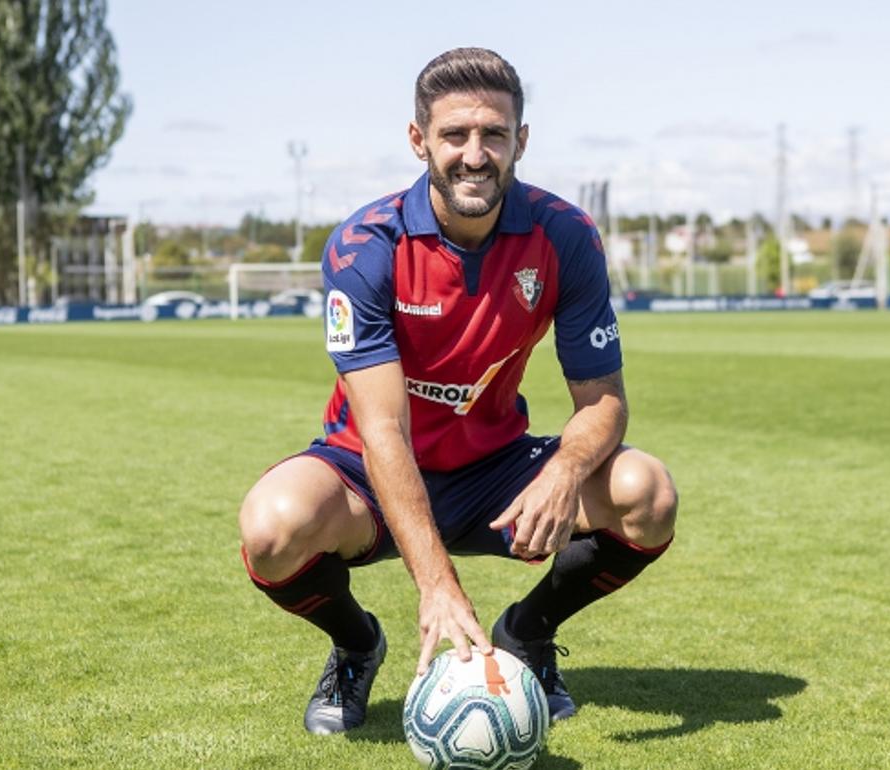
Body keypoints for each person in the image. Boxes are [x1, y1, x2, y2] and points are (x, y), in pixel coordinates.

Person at [238, 47, 678, 735]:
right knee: (272, 527)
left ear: (520, 142)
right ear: (420, 142)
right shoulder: (365, 247)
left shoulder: (564, 235)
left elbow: (605, 399)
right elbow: (383, 430)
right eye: (455, 136)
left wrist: (565, 468)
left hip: (495, 471)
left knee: (646, 494)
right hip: (368, 472)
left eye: (494, 135)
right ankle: (357, 646)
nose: (475, 155)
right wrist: (436, 586)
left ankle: (526, 632)